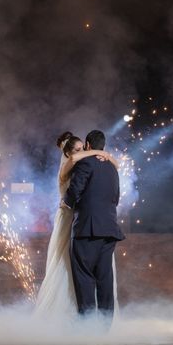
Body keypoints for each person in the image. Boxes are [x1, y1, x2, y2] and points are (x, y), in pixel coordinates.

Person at [34, 131, 118, 316]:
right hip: (72, 221)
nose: (82, 153)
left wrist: (102, 155)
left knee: (87, 274)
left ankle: (89, 321)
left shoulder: (88, 166)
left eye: (83, 148)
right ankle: (86, 319)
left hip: (85, 222)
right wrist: (102, 153)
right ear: (68, 153)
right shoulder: (69, 167)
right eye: (78, 150)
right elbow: (75, 163)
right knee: (74, 271)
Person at [62, 130, 125, 323]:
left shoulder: (85, 163)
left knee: (84, 276)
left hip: (87, 228)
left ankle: (87, 326)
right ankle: (105, 325)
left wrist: (66, 203)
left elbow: (75, 190)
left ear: (88, 145)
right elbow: (116, 196)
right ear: (103, 146)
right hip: (109, 228)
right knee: (104, 277)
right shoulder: (113, 168)